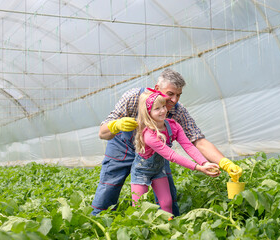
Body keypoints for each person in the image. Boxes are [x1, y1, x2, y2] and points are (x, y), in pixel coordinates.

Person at [91, 68, 242, 216]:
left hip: (155, 153)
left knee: (168, 198)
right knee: (108, 189)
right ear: (157, 88)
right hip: (122, 147)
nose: (174, 100)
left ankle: (169, 224)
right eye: (170, 94)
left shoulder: (177, 111)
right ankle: (99, 221)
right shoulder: (133, 98)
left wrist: (225, 163)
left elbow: (197, 141)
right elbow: (102, 133)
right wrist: (115, 125)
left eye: (178, 95)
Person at [130, 89, 219, 215]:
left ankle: (167, 229)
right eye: (157, 109)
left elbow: (188, 146)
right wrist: (197, 167)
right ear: (148, 112)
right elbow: (171, 155)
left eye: (163, 107)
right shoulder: (149, 135)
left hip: (158, 170)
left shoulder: (173, 126)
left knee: (167, 203)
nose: (162, 111)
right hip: (141, 171)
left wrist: (204, 163)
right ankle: (140, 231)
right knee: (138, 208)